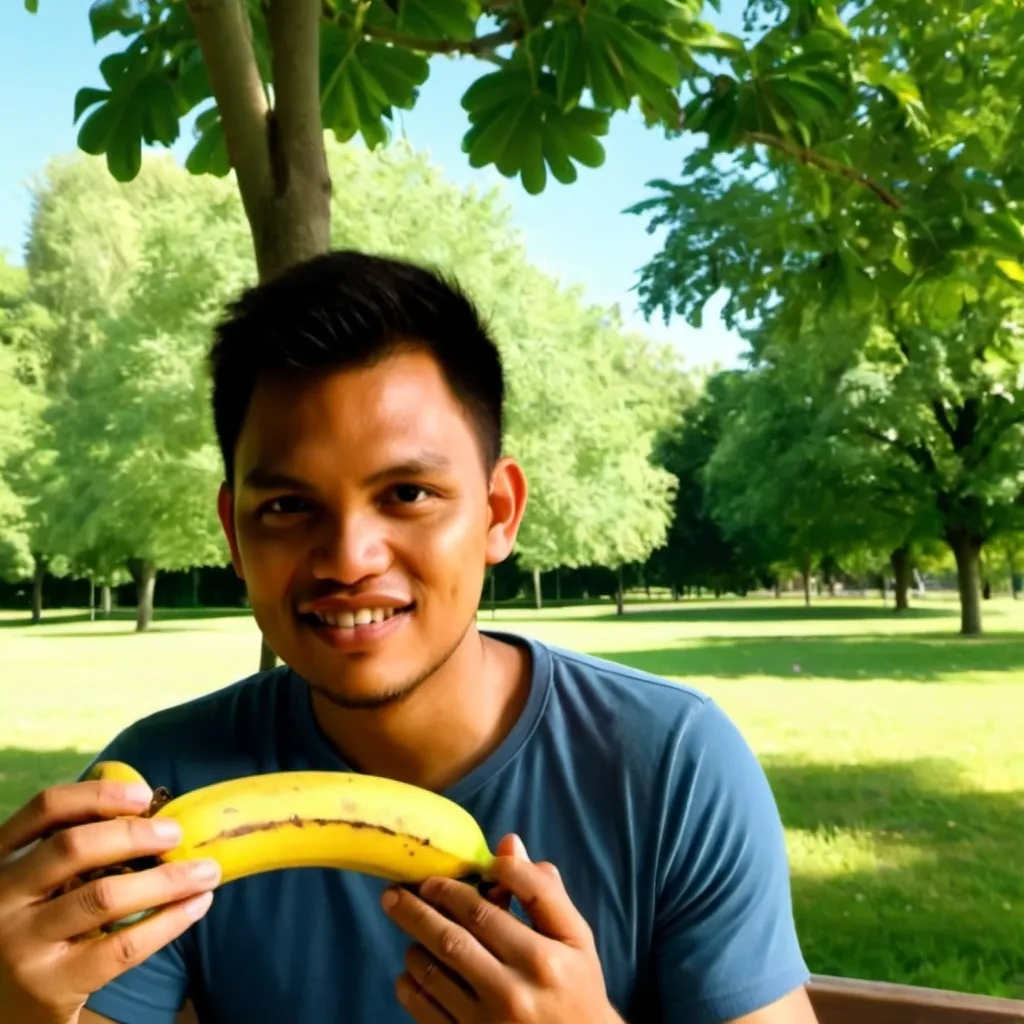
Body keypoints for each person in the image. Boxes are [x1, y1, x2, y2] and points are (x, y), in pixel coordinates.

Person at [0, 251, 818, 1024]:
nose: (349, 559)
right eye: (288, 507)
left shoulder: (671, 763)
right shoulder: (163, 786)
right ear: (233, 534)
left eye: (408, 493)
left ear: (498, 512)